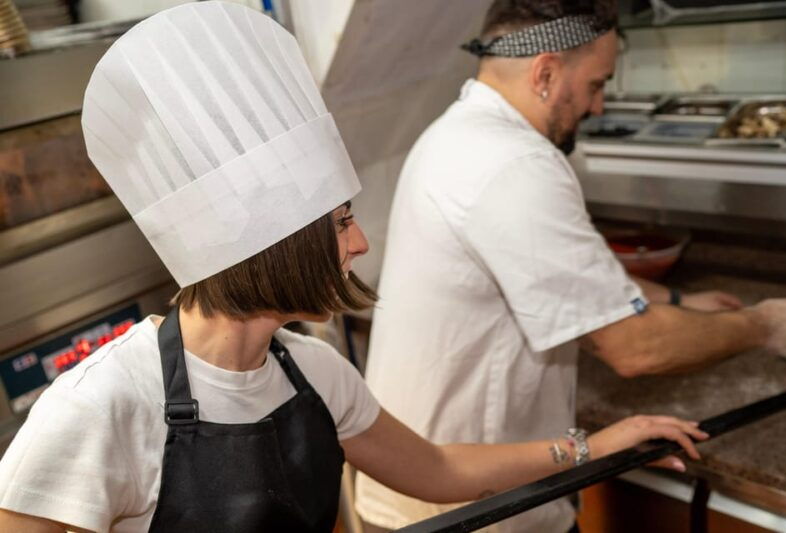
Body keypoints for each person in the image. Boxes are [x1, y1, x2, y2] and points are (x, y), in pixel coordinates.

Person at [0, 3, 709, 532]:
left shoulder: (313, 371)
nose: (363, 241)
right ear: (279, 239)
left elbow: (438, 469)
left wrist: (591, 444)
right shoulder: (102, 404)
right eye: (342, 220)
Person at [354, 1, 786, 532]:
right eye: (596, 84)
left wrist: (677, 301)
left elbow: (567, 270)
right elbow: (637, 348)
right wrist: (768, 324)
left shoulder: (460, 135)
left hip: (443, 490)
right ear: (544, 72)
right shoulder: (513, 164)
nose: (598, 106)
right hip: (475, 509)